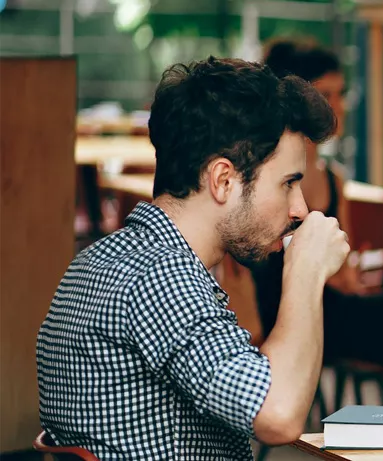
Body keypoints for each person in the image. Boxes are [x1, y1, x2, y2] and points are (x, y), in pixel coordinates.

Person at [36, 57, 348, 459]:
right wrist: (306, 269)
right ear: (223, 180)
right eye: (287, 183)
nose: (300, 209)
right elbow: (278, 413)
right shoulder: (160, 275)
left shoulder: (102, 259)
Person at [254, 38, 366, 340]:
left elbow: (345, 272)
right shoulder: (260, 178)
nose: (338, 106)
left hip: (326, 315)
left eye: (341, 94)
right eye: (326, 95)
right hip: (270, 317)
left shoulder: (335, 180)